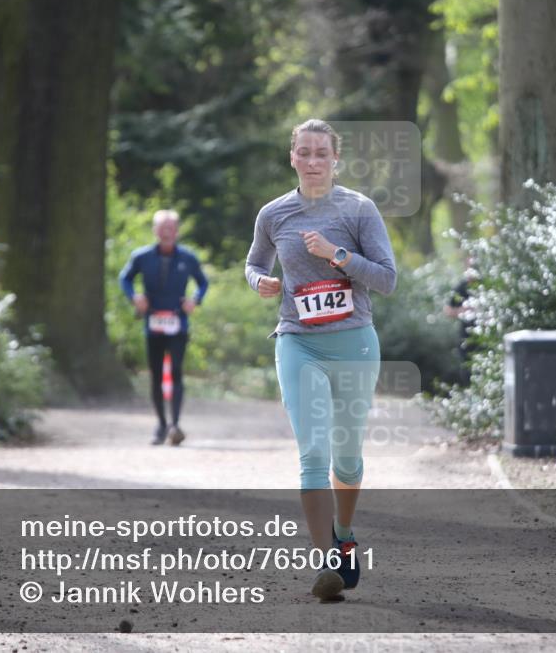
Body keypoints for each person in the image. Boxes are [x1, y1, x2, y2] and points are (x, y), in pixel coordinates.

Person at [245, 119, 397, 602]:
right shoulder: (274, 213)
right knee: (313, 452)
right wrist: (260, 283)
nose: (313, 162)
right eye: (304, 153)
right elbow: (253, 263)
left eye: (321, 154)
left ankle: (344, 533)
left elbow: (388, 279)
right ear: (292, 157)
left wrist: (340, 256)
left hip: (353, 343)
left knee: (348, 460)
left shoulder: (359, 209)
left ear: (336, 160)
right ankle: (324, 563)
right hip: (298, 340)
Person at [120, 209, 208, 446]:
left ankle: (175, 425)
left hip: (178, 323)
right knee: (156, 375)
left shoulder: (188, 258)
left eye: (170, 228)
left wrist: (194, 300)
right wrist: (134, 296)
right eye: (162, 228)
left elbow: (202, 282)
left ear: (177, 231)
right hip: (153, 322)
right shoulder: (142, 256)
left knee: (176, 372)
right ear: (155, 231)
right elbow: (125, 278)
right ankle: (160, 425)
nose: (166, 232)